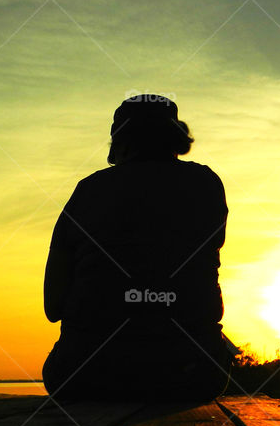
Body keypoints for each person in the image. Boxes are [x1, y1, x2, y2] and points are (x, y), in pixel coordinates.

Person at [42, 94, 233, 401]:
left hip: (82, 376)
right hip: (192, 375)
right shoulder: (206, 184)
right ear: (177, 137)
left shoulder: (88, 191)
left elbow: (53, 306)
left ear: (119, 141)